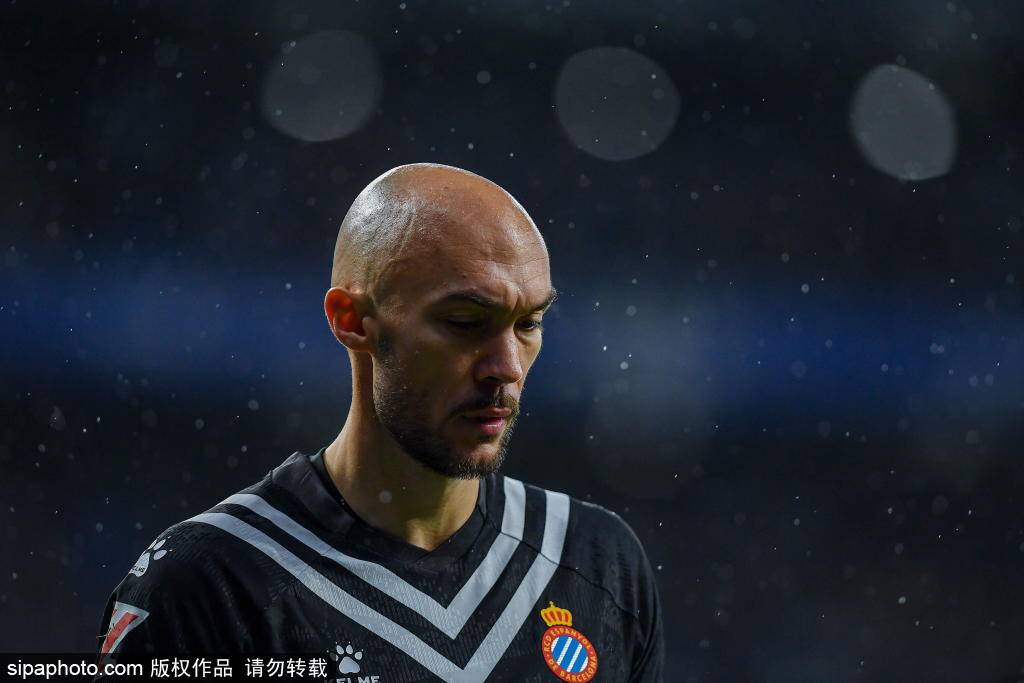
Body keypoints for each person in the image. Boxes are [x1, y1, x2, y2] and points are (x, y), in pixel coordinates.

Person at [96, 164, 664, 682]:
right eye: (466, 323)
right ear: (352, 321)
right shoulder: (211, 583)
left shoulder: (598, 562)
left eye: (528, 324)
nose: (507, 367)